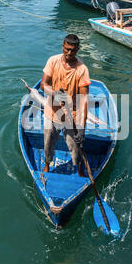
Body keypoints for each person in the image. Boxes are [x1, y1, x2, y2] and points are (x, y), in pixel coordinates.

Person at [40, 34, 90, 177]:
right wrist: (55, 93)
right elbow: (43, 84)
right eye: (67, 49)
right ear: (63, 46)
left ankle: (80, 168)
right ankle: (47, 164)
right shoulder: (53, 61)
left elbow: (84, 100)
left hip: (72, 115)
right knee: (48, 143)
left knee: (76, 147)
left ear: (78, 50)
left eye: (73, 50)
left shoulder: (82, 69)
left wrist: (81, 127)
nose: (69, 53)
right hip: (52, 111)